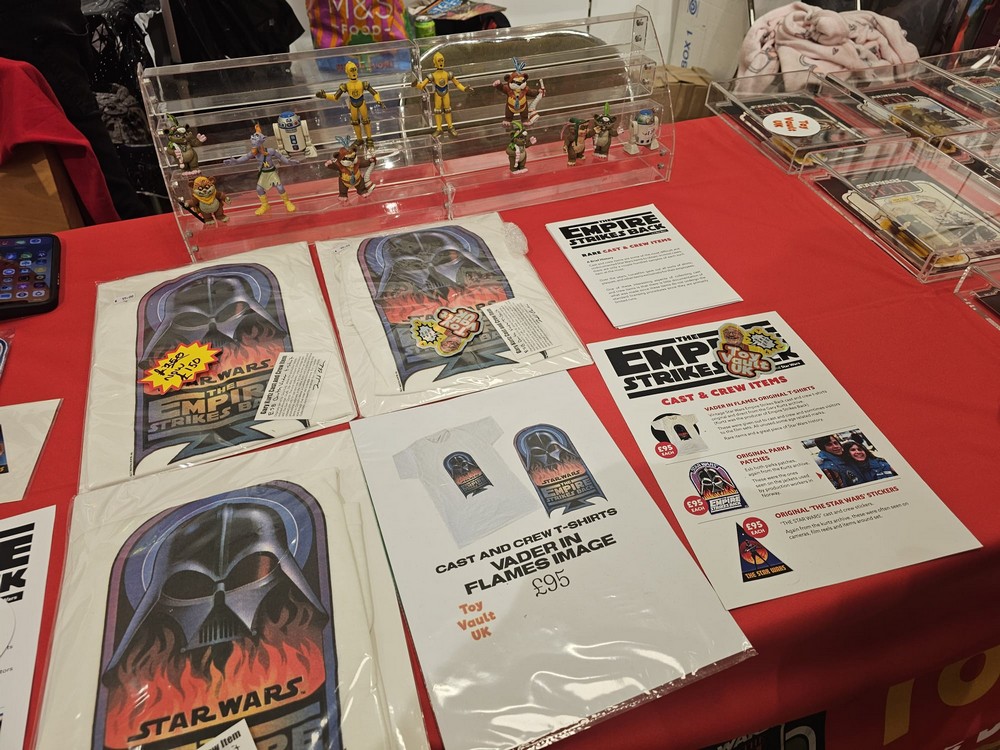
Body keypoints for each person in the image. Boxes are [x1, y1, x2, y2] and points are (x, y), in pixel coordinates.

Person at [0, 0, 150, 220]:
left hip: (37, 31)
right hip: (36, 32)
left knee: (89, 158)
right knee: (86, 157)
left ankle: (131, 227)